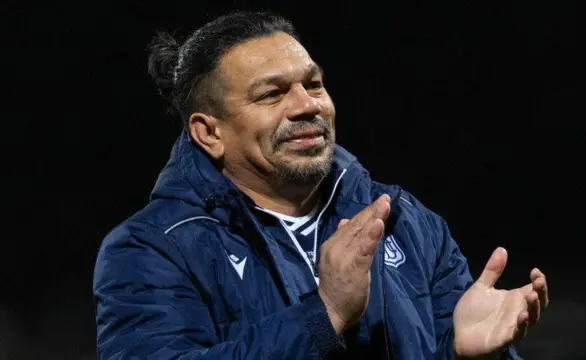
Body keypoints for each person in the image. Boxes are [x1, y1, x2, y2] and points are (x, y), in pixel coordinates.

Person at [93, 11, 549, 360]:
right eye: (271, 94)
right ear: (209, 132)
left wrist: (466, 354)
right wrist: (324, 316)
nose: (306, 105)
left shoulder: (405, 220)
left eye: (313, 84)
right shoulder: (151, 250)